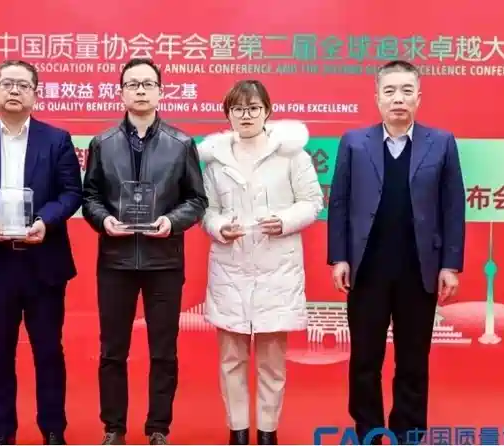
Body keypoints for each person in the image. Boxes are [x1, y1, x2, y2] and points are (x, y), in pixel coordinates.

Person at [326, 60, 465, 445]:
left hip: (419, 269)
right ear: (377, 98)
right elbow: (339, 202)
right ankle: (368, 432)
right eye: (389, 91)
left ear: (419, 97)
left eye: (406, 91)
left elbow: (453, 206)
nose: (398, 98)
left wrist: (450, 264)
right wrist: (339, 257)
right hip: (367, 268)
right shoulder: (354, 142)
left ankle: (408, 433)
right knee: (365, 359)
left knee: (413, 360)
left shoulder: (441, 142)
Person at [0, 60, 83, 445]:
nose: (14, 91)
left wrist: (45, 221)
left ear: (35, 95)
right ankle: (2, 432)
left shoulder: (56, 139)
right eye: (7, 83)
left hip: (43, 261)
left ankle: (53, 430)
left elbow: (71, 193)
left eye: (23, 85)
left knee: (48, 351)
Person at [81, 58, 207, 445]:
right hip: (115, 261)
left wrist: (172, 220)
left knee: (163, 352)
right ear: (120, 92)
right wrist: (104, 220)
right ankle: (114, 428)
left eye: (147, 84)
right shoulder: (102, 144)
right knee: (112, 351)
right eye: (132, 84)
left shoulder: (181, 144)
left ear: (160, 92)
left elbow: (197, 200)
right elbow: (90, 197)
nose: (140, 90)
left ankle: (158, 428)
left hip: (163, 261)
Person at [197, 80, 324, 446]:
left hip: (277, 269)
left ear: (267, 110)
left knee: (271, 361)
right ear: (228, 114)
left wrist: (284, 221)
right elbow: (207, 209)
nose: (246, 115)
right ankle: (237, 431)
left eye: (253, 108)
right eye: (238, 109)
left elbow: (312, 201)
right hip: (230, 268)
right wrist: (219, 227)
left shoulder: (292, 155)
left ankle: (268, 431)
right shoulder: (215, 160)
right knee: (231, 360)